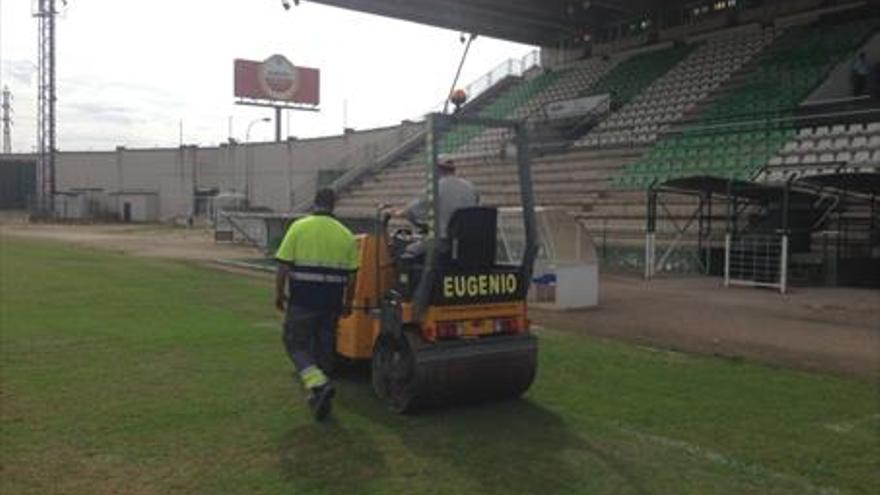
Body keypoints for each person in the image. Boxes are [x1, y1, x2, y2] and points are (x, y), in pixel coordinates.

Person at [274, 188, 359, 421]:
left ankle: (319, 385)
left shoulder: (299, 227)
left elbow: (283, 267)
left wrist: (279, 294)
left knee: (295, 343)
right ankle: (320, 393)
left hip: (303, 299)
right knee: (324, 348)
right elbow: (353, 277)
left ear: (315, 203)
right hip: (331, 302)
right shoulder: (346, 235)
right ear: (334, 205)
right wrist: (348, 303)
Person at [390, 159, 478, 258]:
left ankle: (422, 273)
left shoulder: (436, 187)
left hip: (443, 243)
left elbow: (414, 210)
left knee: (408, 251)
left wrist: (396, 213)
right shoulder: (471, 187)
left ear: (437, 170)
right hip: (468, 243)